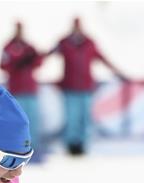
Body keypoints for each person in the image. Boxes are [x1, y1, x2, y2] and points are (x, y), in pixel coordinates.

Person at [48, 17, 128, 155]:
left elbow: (103, 58)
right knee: (71, 118)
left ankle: (83, 144)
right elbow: (47, 55)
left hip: (85, 88)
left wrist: (118, 73)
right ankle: (71, 145)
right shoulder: (64, 42)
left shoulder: (89, 43)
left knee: (85, 118)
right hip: (69, 88)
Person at [0, 21, 45, 160]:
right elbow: (3, 65)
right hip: (16, 90)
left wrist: (34, 57)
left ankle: (33, 148)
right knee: (17, 121)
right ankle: (16, 148)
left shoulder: (29, 47)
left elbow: (39, 63)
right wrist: (17, 62)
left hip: (30, 90)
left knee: (32, 121)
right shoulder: (8, 47)